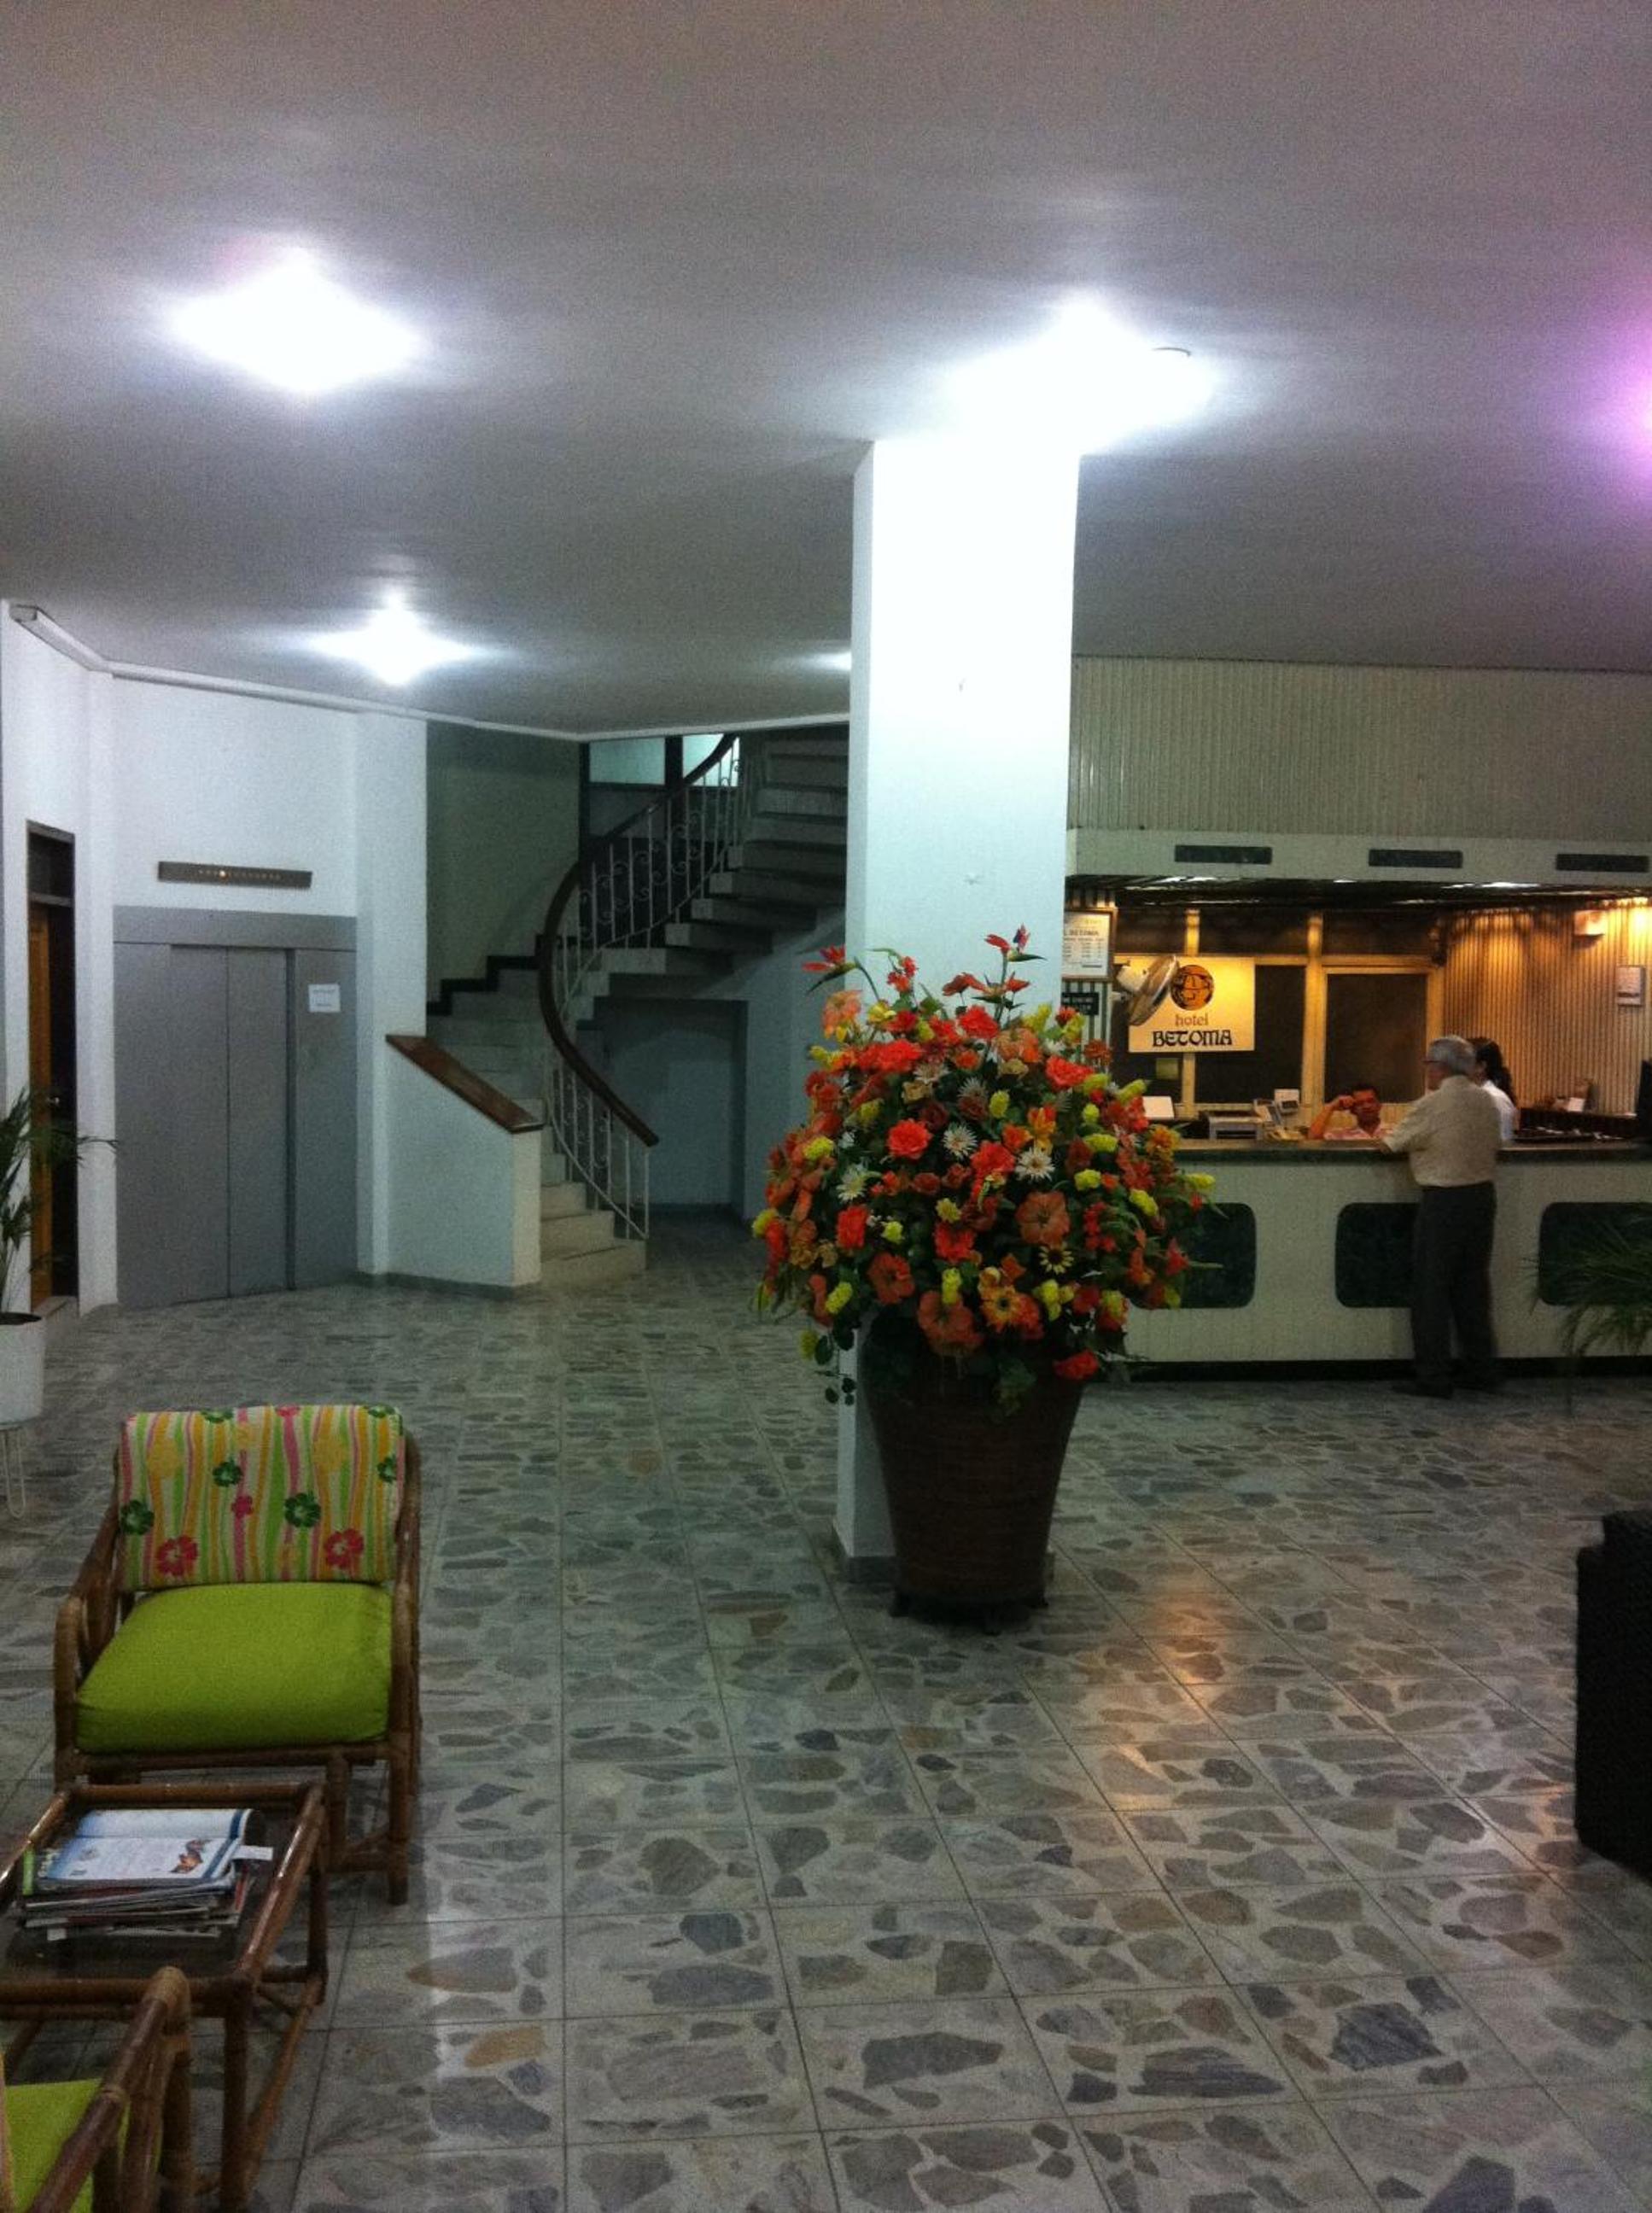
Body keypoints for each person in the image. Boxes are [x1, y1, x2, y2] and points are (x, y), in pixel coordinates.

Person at [1378, 1035, 1503, 1397]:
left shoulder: (1432, 1104)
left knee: (1431, 1289)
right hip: (1482, 1198)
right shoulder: (1486, 1100)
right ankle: (1481, 1370)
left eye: (1428, 1064)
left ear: (1440, 1067)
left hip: (1444, 1200)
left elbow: (1390, 1144)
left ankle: (1433, 1376)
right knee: (1473, 1288)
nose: (1426, 1071)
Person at [1470, 1036, 1519, 1144]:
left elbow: (1500, 1146)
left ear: (1481, 1067)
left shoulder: (1495, 1099)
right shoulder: (1471, 1096)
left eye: (1464, 1062)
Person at [1308, 1085, 1384, 1141]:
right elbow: (1313, 1140)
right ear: (1352, 1110)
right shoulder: (1342, 1136)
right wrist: (1330, 1107)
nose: (1366, 1106)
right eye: (1360, 1103)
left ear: (1380, 1105)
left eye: (1371, 1101)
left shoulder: (1391, 1134)